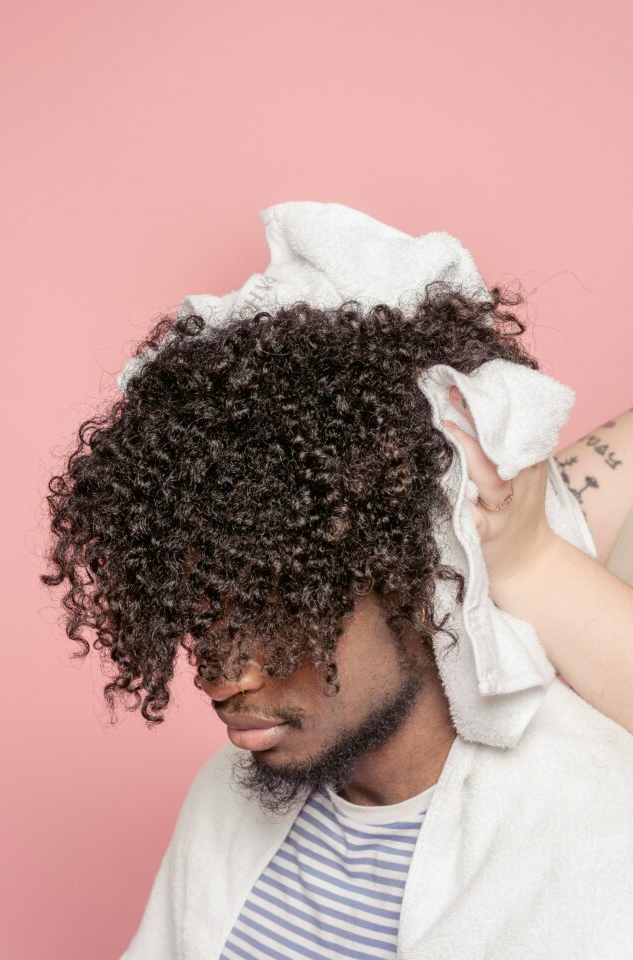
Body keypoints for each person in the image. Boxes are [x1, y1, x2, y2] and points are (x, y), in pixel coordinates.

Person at [42, 268, 633, 958]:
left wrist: (521, 547)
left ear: (418, 578)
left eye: (276, 613)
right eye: (198, 618)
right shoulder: (225, 797)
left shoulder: (587, 830)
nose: (218, 677)